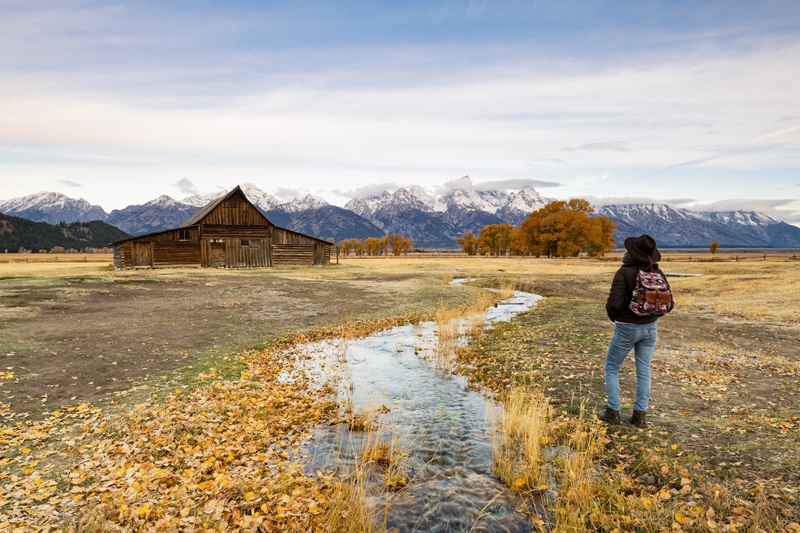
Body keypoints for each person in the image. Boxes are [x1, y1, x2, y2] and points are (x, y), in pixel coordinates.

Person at [599, 234, 674, 428]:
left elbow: (613, 304)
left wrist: (618, 318)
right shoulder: (658, 273)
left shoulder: (623, 273)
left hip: (626, 328)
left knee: (611, 368)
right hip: (650, 329)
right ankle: (639, 416)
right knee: (643, 372)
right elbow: (669, 304)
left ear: (630, 253)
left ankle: (612, 411)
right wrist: (651, 316)